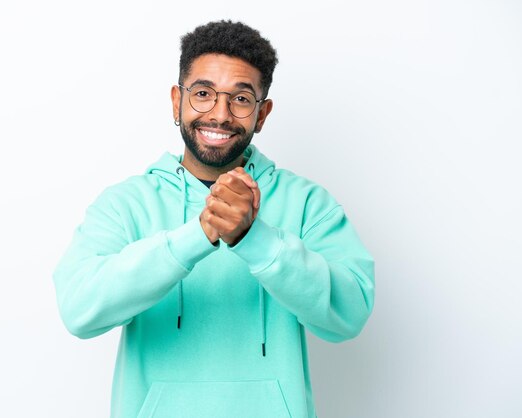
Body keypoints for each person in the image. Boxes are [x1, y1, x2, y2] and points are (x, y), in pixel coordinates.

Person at [53, 20, 375, 418]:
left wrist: (253, 239)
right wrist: (198, 234)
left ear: (262, 113)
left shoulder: (308, 202)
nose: (219, 115)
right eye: (203, 93)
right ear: (177, 101)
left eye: (241, 99)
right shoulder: (125, 204)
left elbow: (349, 315)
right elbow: (79, 311)